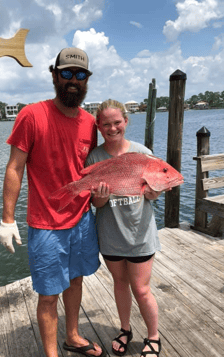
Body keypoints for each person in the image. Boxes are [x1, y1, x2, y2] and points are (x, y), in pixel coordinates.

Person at [0, 47, 105, 357]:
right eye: (67, 73)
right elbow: (15, 167)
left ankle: (72, 336)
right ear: (55, 75)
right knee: (48, 295)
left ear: (87, 80)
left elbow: (91, 170)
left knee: (75, 281)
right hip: (46, 225)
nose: (74, 80)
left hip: (82, 220)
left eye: (80, 74)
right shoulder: (32, 115)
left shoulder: (90, 124)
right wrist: (7, 218)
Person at [86, 99, 162, 357]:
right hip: (110, 235)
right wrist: (102, 196)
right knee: (120, 284)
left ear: (126, 122)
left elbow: (153, 196)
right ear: (99, 126)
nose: (112, 128)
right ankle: (125, 328)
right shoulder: (94, 156)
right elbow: (96, 203)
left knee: (141, 289)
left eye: (117, 122)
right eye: (106, 124)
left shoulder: (142, 153)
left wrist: (152, 192)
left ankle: (153, 335)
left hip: (140, 235)